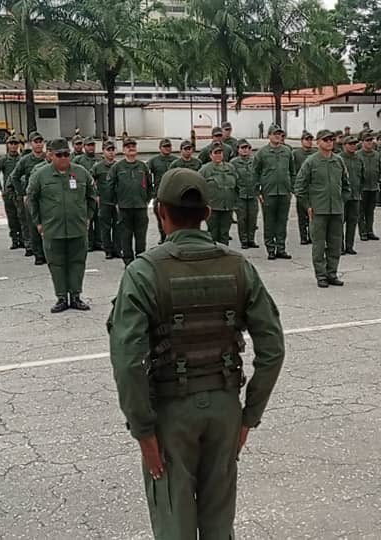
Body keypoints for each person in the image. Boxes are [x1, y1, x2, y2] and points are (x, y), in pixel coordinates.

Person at [109, 168, 285, 540]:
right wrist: (248, 417)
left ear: (161, 212)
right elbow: (272, 347)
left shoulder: (143, 272)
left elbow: (128, 361)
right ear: (207, 214)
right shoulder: (239, 266)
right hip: (224, 409)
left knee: (174, 524)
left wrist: (143, 432)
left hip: (171, 415)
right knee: (220, 525)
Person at [27, 138, 97, 313]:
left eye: (67, 154)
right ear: (51, 156)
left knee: (77, 262)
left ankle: (75, 296)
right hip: (52, 229)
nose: (64, 158)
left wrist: (88, 217)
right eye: (60, 155)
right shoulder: (40, 175)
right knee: (56, 264)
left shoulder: (81, 173)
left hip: (77, 227)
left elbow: (92, 197)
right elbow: (31, 200)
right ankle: (61, 298)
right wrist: (38, 223)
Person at [295, 129, 348, 288]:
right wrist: (308, 206)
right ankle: (321, 275)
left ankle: (332, 273)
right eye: (325, 140)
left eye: (331, 139)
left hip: (336, 210)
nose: (329, 142)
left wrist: (342, 201)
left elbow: (346, 185)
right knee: (318, 245)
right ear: (318, 142)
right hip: (319, 210)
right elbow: (300, 187)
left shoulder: (338, 161)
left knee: (335, 244)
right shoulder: (311, 162)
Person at [106, 138, 153, 266]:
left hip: (140, 207)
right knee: (125, 237)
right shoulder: (117, 167)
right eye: (128, 146)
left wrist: (146, 200)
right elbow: (110, 187)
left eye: (133, 146)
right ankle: (128, 261)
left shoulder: (143, 166)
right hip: (124, 208)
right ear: (123, 150)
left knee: (141, 236)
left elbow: (149, 186)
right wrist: (116, 203)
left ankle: (140, 260)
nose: (131, 148)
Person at [254, 125, 294, 260]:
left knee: (282, 222)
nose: (278, 136)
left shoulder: (287, 151)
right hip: (268, 192)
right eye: (275, 134)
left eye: (280, 134)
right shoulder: (262, 153)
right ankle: (271, 249)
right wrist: (258, 191)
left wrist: (291, 187)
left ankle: (281, 248)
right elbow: (255, 173)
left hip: (284, 192)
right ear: (269, 136)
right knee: (269, 222)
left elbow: (292, 171)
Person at [11, 132, 49, 263]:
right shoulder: (25, 160)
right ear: (31, 144)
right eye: (35, 141)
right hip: (32, 197)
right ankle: (37, 253)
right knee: (33, 225)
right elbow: (14, 177)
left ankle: (47, 253)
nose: (38, 144)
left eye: (40, 141)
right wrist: (21, 194)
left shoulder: (48, 157)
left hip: (46, 197)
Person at [199, 142, 239, 244]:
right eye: (215, 153)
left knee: (224, 233)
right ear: (210, 155)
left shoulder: (230, 168)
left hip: (228, 207)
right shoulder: (205, 170)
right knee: (213, 234)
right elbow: (198, 186)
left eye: (220, 153)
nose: (218, 155)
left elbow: (237, 186)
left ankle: (224, 256)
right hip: (213, 208)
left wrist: (236, 203)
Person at [0, 136, 25, 249]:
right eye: (11, 143)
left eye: (15, 143)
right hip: (9, 193)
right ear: (7, 145)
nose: (14, 146)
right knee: (12, 217)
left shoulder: (22, 159)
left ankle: (24, 239)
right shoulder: (3, 160)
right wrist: (0, 189)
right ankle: (14, 239)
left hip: (20, 191)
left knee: (22, 216)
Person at [92, 140, 121, 260]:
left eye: (112, 150)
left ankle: (117, 249)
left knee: (118, 226)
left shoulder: (119, 166)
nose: (111, 153)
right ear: (103, 151)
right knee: (105, 227)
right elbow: (91, 182)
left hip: (117, 200)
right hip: (104, 200)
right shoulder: (97, 167)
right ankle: (108, 250)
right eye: (108, 150)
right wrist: (96, 195)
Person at [146, 138, 178, 243]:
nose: (167, 148)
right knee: (160, 217)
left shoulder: (175, 160)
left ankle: (173, 238)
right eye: (165, 146)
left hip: (173, 193)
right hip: (159, 193)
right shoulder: (154, 161)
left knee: (174, 217)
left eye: (168, 146)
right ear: (160, 148)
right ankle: (163, 237)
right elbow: (146, 173)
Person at [232, 139, 260, 249]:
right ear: (238, 150)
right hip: (240, 195)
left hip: (253, 194)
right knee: (242, 219)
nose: (245, 150)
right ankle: (244, 240)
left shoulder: (255, 161)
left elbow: (259, 175)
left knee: (252, 218)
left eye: (247, 148)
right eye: (242, 148)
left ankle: (251, 239)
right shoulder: (233, 163)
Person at [339, 135, 364, 255]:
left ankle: (349, 246)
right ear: (344, 145)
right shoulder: (338, 159)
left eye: (355, 144)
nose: (353, 146)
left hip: (355, 195)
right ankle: (340, 247)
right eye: (350, 144)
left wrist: (360, 191)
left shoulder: (358, 159)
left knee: (352, 221)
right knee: (339, 222)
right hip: (342, 197)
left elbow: (362, 177)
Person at [291, 131, 317, 245]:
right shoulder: (296, 153)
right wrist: (294, 188)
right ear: (302, 141)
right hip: (302, 188)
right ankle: (303, 236)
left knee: (313, 214)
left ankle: (312, 235)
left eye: (311, 139)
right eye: (307, 139)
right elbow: (292, 171)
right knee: (302, 214)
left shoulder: (316, 153)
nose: (309, 142)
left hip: (314, 189)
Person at [357, 132, 381, 241]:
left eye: (371, 141)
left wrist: (379, 181)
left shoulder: (376, 155)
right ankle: (363, 232)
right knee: (361, 211)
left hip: (373, 187)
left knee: (370, 211)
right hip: (362, 188)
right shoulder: (358, 155)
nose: (370, 143)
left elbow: (380, 168)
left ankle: (370, 230)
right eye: (367, 141)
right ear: (362, 142)